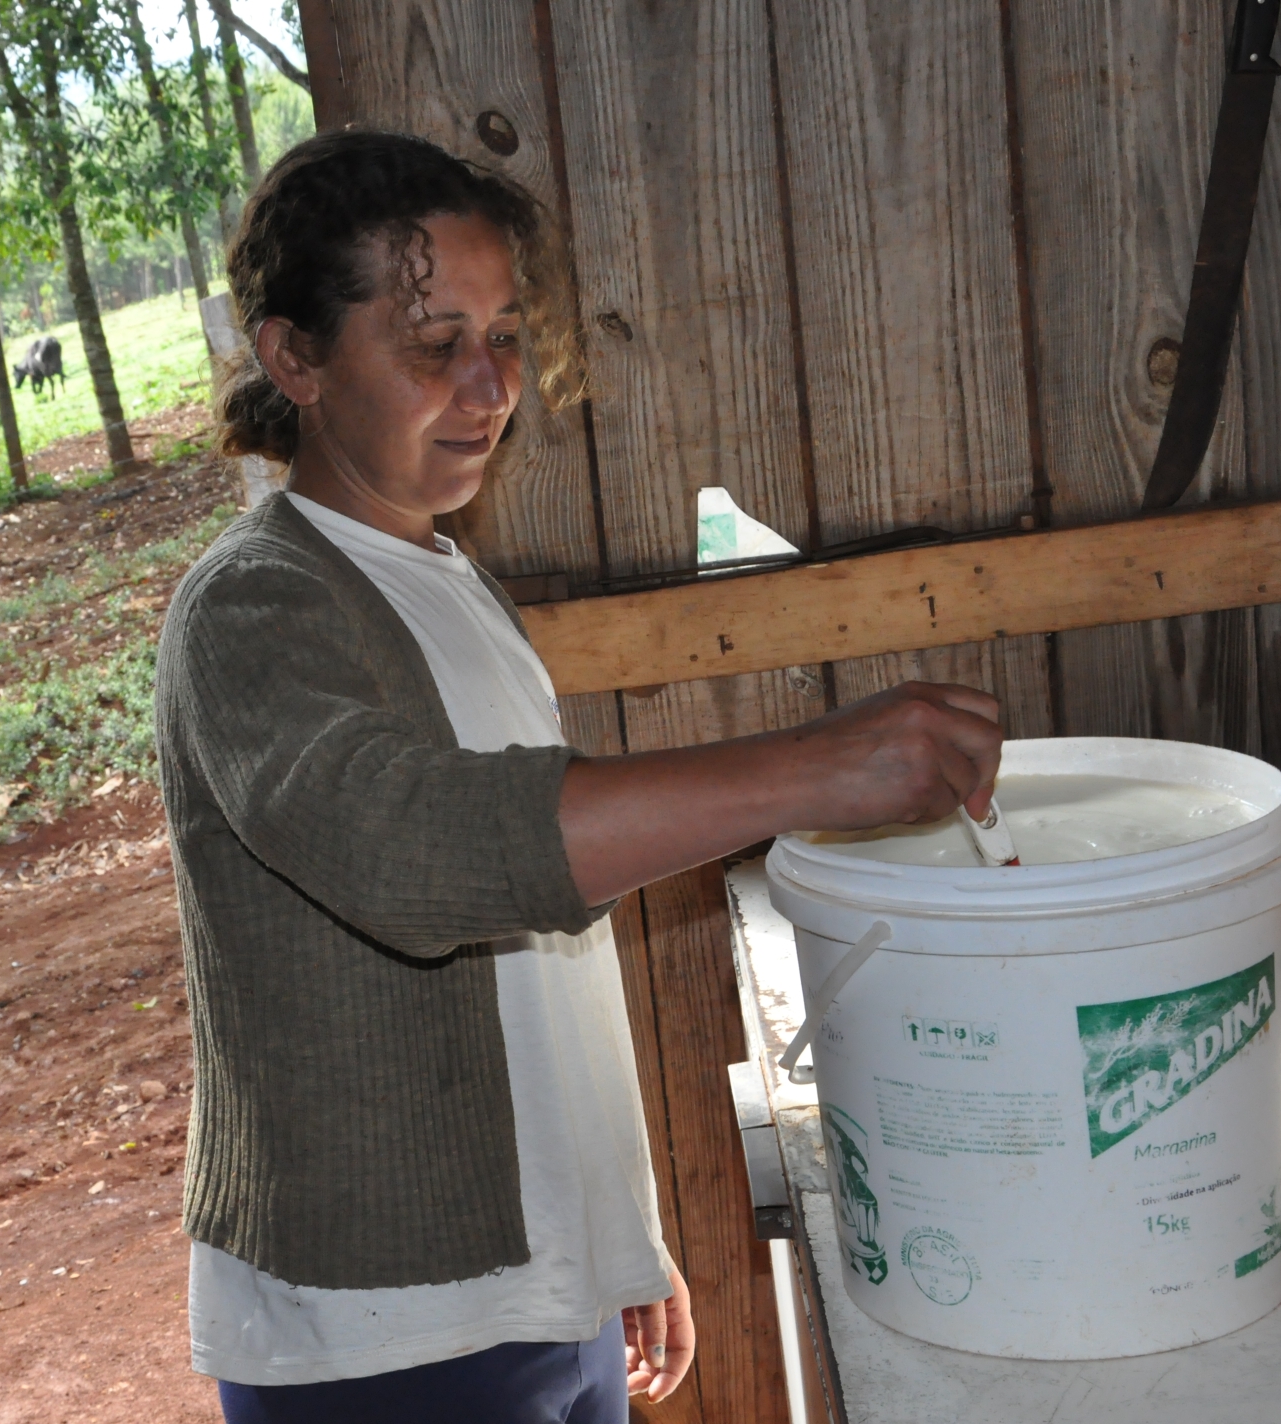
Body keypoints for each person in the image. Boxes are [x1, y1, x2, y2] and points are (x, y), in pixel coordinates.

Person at [156, 130, 1004, 1423]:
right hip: (381, 1328)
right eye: (435, 345)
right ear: (295, 360)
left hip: (529, 1286)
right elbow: (414, 855)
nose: (490, 384)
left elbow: (536, 972)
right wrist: (811, 768)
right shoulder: (253, 608)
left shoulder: (438, 573)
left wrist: (613, 1235)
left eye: (504, 336)